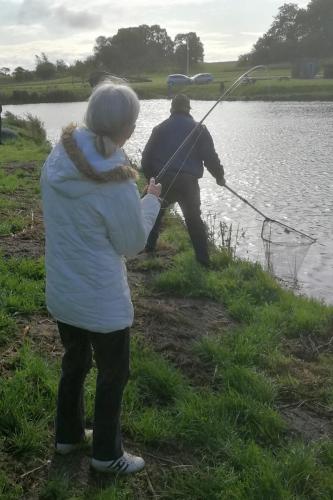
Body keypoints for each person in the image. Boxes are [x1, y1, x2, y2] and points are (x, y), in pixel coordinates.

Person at [41, 82, 161, 474]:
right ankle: (107, 455)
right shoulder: (117, 179)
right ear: (125, 126)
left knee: (74, 361)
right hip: (101, 300)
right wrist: (151, 201)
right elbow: (131, 244)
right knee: (115, 372)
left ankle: (68, 436)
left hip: (63, 292)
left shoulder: (58, 155)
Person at [141, 94, 225, 267]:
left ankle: (149, 250)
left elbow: (146, 157)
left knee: (155, 214)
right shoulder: (199, 129)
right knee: (194, 220)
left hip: (163, 180)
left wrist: (152, 179)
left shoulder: (159, 129)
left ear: (171, 109)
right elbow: (209, 157)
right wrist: (219, 176)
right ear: (188, 109)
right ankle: (203, 261)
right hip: (189, 183)